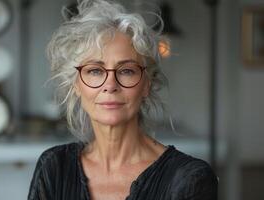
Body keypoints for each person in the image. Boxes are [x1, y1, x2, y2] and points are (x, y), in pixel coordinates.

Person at [28, 0, 218, 199]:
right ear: (76, 85)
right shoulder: (54, 166)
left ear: (147, 84)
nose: (110, 85)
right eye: (95, 71)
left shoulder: (189, 179)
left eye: (126, 71)